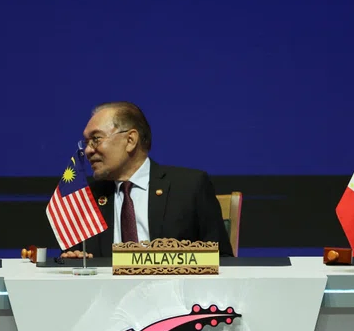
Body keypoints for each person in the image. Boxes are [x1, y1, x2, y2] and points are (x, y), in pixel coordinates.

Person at [61, 102, 234, 258]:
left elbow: (221, 260)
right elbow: (76, 261)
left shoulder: (189, 187)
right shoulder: (85, 198)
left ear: (130, 140)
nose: (88, 150)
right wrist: (73, 263)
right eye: (86, 142)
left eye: (96, 139)